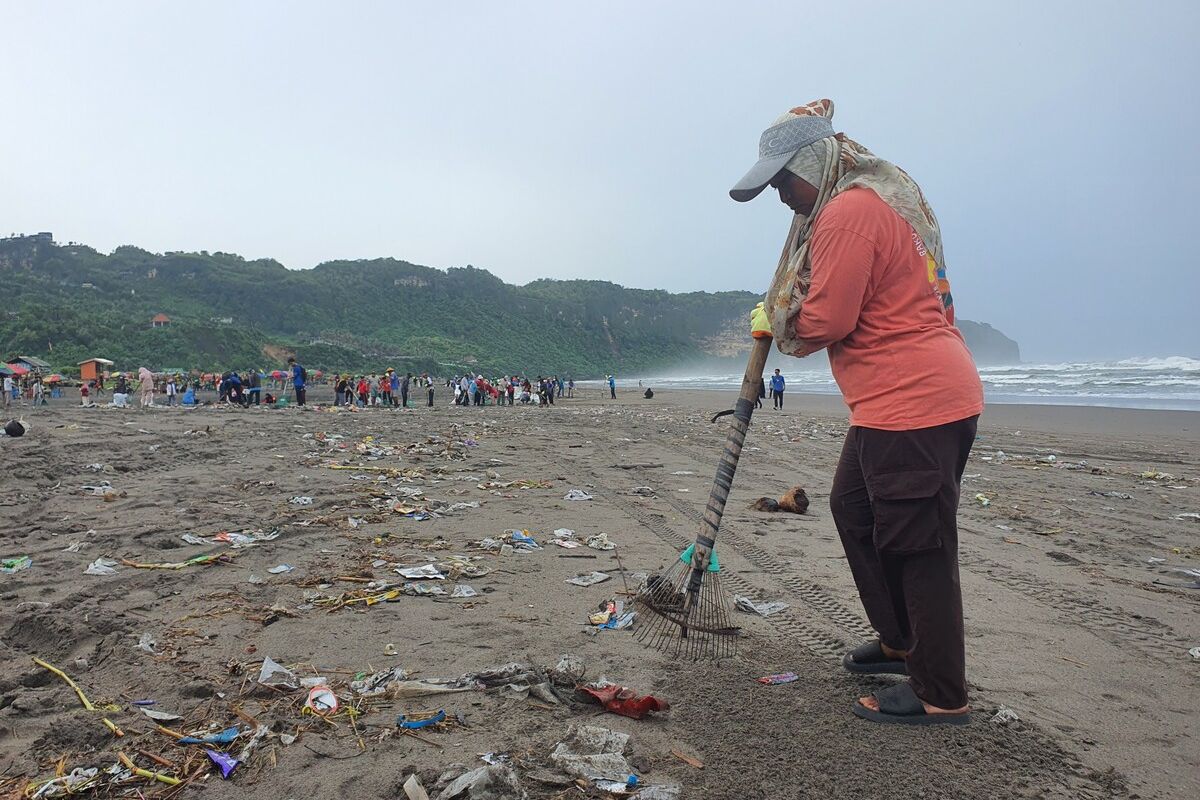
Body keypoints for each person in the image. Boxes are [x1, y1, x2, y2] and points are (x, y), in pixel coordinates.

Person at [733, 99, 983, 725]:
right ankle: (900, 640)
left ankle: (940, 692)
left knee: (918, 544)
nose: (781, 196)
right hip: (893, 405)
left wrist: (781, 319)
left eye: (783, 180)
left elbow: (829, 319)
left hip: (916, 405)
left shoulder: (848, 212)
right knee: (853, 507)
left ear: (813, 163)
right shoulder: (850, 204)